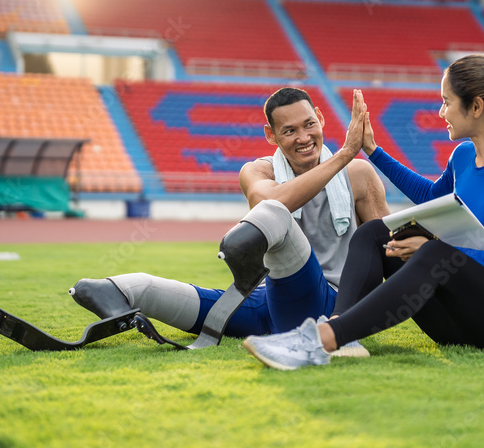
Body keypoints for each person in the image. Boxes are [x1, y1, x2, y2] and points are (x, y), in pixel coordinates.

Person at [242, 55, 484, 369]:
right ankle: (343, 333)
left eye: (447, 102)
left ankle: (318, 340)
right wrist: (372, 150)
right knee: (375, 232)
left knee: (434, 251)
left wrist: (440, 250)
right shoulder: (464, 156)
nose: (441, 112)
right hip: (462, 321)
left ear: (476, 107)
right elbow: (431, 196)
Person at [71, 87, 388, 347]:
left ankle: (242, 258)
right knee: (134, 289)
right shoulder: (258, 170)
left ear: (320, 118)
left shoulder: (358, 172)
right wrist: (346, 152)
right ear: (271, 135)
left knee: (272, 218)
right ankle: (111, 294)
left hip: (331, 306)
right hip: (271, 303)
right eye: (289, 131)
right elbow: (274, 202)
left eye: (308, 124)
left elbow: (389, 247)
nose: (303, 137)